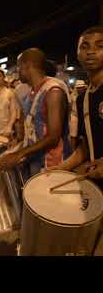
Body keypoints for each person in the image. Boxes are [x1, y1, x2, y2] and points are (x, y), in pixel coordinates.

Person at [0, 48, 71, 181]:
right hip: (36, 161)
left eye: (19, 68)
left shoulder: (53, 91)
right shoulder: (32, 93)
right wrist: (17, 146)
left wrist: (19, 154)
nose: (17, 72)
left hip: (52, 164)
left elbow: (53, 137)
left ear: (28, 66)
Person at [50, 27, 103, 185]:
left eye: (100, 46)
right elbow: (86, 146)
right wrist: (60, 168)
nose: (91, 52)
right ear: (78, 54)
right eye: (85, 46)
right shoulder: (83, 99)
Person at [69, 80, 88, 152]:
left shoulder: (87, 95)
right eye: (78, 88)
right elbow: (70, 106)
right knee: (73, 133)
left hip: (84, 115)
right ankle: (73, 150)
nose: (80, 89)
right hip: (75, 115)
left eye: (81, 87)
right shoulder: (73, 96)